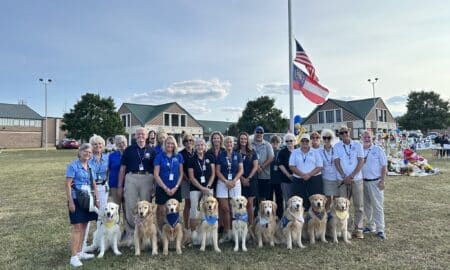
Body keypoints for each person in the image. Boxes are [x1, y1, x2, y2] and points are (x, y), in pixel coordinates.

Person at [117, 127, 156, 245]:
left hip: (147, 178)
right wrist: (120, 185)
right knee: (130, 205)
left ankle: (145, 233)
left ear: (146, 136)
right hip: (131, 177)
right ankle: (131, 234)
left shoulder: (152, 150)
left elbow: (155, 169)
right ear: (135, 136)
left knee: (145, 206)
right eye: (138, 134)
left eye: (143, 134)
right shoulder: (129, 150)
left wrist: (154, 185)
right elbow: (122, 168)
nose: (140, 136)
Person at [65, 143, 98, 267]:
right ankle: (73, 256)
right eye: (85, 151)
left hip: (88, 200)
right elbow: (67, 184)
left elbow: (93, 183)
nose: (88, 154)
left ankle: (80, 252)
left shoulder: (91, 166)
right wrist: (71, 202)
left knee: (84, 225)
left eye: (90, 152)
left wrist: (97, 200)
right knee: (77, 227)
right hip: (76, 199)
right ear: (80, 152)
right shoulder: (73, 166)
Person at [334, 126, 365, 239]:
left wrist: (351, 176)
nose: (344, 134)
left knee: (359, 205)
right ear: (339, 135)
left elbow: (361, 160)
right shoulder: (337, 146)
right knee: (343, 205)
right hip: (342, 179)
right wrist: (344, 176)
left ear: (349, 132)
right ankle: (347, 228)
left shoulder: (357, 144)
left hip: (356, 179)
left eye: (345, 132)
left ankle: (359, 228)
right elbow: (336, 162)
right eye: (341, 133)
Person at [216, 136, 243, 242]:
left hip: (235, 182)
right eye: (227, 142)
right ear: (224, 144)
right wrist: (226, 181)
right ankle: (227, 233)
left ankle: (236, 233)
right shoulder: (220, 155)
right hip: (223, 182)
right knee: (225, 208)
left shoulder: (238, 155)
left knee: (236, 208)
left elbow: (241, 170)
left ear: (233, 143)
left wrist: (234, 181)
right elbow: (217, 171)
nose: (229, 144)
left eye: (231, 142)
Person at [361, 130, 387, 239]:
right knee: (366, 206)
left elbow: (384, 166)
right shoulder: (360, 150)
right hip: (362, 182)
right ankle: (371, 226)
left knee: (377, 206)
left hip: (375, 181)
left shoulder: (378, 150)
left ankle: (380, 229)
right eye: (365, 137)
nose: (367, 138)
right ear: (361, 138)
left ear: (373, 138)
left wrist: (382, 180)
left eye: (369, 137)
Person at [154, 135, 184, 228]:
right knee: (161, 211)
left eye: (172, 143)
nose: (170, 145)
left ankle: (174, 231)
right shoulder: (159, 156)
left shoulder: (178, 156)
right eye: (168, 143)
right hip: (162, 187)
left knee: (175, 210)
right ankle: (160, 232)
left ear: (175, 145)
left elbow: (181, 173)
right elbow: (156, 174)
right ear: (164, 144)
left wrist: (176, 187)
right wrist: (165, 188)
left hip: (175, 188)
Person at [85, 134, 109, 249]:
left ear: (103, 145)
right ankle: (83, 243)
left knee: (101, 215)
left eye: (100, 144)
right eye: (95, 144)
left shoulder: (107, 157)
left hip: (103, 187)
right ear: (91, 146)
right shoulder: (88, 158)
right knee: (88, 214)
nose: (98, 146)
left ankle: (100, 242)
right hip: (90, 188)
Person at [289, 133, 323, 210]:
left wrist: (309, 175)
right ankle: (301, 219)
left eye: (306, 141)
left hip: (314, 179)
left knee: (315, 199)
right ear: (299, 142)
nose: (304, 142)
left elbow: (320, 166)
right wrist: (303, 175)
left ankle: (315, 219)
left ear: (309, 142)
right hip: (298, 179)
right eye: (302, 141)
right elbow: (291, 166)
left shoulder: (315, 152)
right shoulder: (295, 152)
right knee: (300, 200)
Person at [188, 138, 215, 231]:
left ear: (205, 146)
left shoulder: (210, 157)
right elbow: (191, 177)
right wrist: (201, 188)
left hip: (208, 187)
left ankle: (209, 230)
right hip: (195, 187)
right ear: (195, 147)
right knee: (194, 209)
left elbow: (213, 174)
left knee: (211, 208)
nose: (200, 147)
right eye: (198, 145)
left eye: (202, 145)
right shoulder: (191, 159)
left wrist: (207, 187)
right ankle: (193, 232)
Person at [237, 132, 259, 225]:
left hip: (251, 181)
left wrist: (248, 179)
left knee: (249, 204)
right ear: (239, 140)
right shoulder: (235, 151)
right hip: (238, 180)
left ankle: (251, 225)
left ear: (248, 140)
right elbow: (234, 167)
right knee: (240, 204)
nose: (243, 140)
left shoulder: (252, 152)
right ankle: (241, 224)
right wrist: (242, 178)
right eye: (241, 139)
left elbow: (255, 166)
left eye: (245, 139)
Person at [252, 126, 274, 201]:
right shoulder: (250, 144)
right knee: (253, 197)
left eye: (261, 132)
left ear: (263, 134)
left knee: (263, 198)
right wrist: (256, 167)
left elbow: (271, 157)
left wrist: (261, 167)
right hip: (253, 176)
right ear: (254, 133)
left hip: (265, 176)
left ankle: (263, 212)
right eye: (257, 132)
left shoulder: (267, 145)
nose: (259, 134)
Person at [319, 129, 339, 210]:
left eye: (329, 138)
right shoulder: (319, 151)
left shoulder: (336, 149)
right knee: (327, 200)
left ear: (332, 138)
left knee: (336, 200)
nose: (327, 140)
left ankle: (335, 217)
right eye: (324, 138)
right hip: (326, 177)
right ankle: (326, 217)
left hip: (336, 177)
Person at [179, 134, 195, 229]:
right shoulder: (181, 154)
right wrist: (188, 179)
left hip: (196, 181)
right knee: (188, 203)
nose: (188, 143)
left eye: (190, 141)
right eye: (186, 141)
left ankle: (194, 224)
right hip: (186, 181)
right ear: (184, 143)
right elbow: (181, 170)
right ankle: (186, 226)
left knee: (195, 203)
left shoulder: (195, 152)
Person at [108, 135, 127, 205]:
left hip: (128, 185)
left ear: (126, 142)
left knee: (127, 209)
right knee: (115, 208)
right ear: (116, 145)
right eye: (119, 143)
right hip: (114, 184)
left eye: (123, 142)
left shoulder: (130, 154)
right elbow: (108, 170)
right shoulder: (112, 156)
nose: (121, 144)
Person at [278, 133, 296, 206]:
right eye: (287, 141)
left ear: (294, 141)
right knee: (288, 201)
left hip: (298, 179)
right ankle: (288, 217)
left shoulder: (299, 150)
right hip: (286, 180)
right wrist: (289, 176)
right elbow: (280, 165)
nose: (289, 143)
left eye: (291, 141)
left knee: (297, 200)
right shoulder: (282, 152)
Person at [269, 135, 283, 219]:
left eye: (277, 142)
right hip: (269, 178)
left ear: (280, 143)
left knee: (279, 199)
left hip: (279, 178)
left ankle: (279, 215)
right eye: (273, 142)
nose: (275, 144)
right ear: (271, 143)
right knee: (269, 199)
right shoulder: (269, 151)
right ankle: (270, 215)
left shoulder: (281, 152)